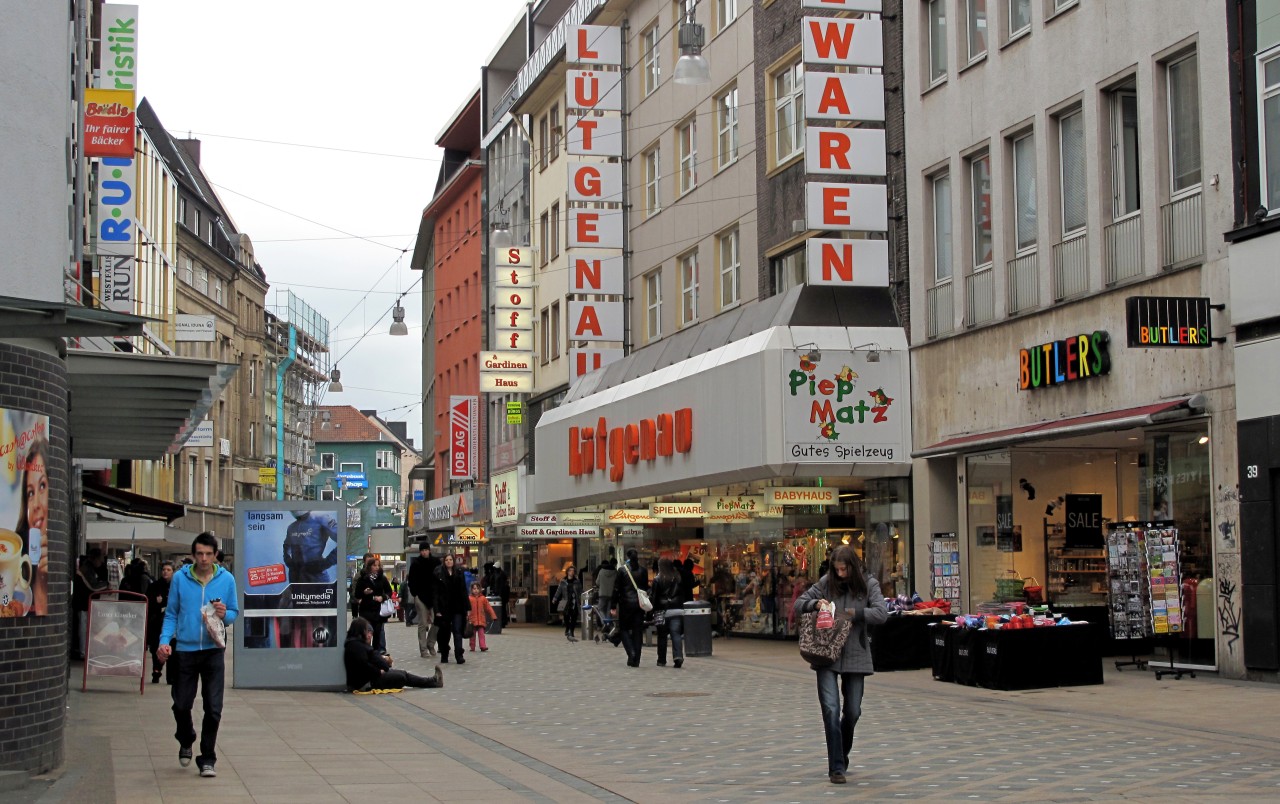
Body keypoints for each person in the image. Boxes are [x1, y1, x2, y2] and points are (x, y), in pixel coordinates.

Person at [791, 545, 888, 785]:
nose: (841, 574)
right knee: (831, 709)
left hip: (856, 653)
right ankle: (836, 767)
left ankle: (841, 752)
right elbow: (799, 603)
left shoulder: (868, 584)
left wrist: (853, 613)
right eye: (837, 570)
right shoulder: (826, 582)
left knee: (852, 711)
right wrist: (816, 605)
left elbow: (881, 613)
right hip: (825, 653)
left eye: (844, 569)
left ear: (853, 567)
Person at [157, 532, 239, 779]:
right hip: (185, 650)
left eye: (208, 554)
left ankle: (207, 757)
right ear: (193, 555)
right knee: (181, 704)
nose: (203, 558)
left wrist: (225, 614)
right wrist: (164, 642)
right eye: (199, 554)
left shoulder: (227, 580)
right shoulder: (181, 579)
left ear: (215, 556)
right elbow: (171, 613)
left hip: (214, 650)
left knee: (213, 707)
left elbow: (234, 613)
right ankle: (186, 738)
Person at [343, 617, 443, 692]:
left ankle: (432, 681)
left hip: (367, 679)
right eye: (366, 631)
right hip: (366, 683)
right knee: (401, 677)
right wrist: (378, 671)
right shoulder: (357, 646)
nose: (369, 635)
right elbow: (364, 665)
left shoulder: (355, 644)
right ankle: (432, 682)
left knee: (403, 673)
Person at [15, 435, 49, 615]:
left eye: (42, 486)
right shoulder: (17, 565)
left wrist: (44, 582)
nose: (35, 504)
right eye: (30, 493)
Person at [611, 549, 649, 668]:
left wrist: (613, 605)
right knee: (638, 631)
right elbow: (645, 588)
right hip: (639, 605)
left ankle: (631, 652)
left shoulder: (622, 570)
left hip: (625, 604)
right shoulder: (643, 570)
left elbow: (616, 589)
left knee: (624, 629)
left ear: (627, 557)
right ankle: (636, 658)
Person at [282, 510, 339, 584]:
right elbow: (286, 546)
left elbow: (342, 540)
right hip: (296, 578)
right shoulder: (291, 527)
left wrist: (325, 563)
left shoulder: (321, 519)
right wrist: (288, 561)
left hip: (316, 577)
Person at [433, 553, 470, 664]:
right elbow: (435, 593)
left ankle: (459, 654)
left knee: (457, 631)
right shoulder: (438, 573)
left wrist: (467, 607)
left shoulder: (459, 573)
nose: (449, 561)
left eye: (450, 560)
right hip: (444, 607)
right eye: (446, 560)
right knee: (445, 632)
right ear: (444, 562)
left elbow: (464, 591)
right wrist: (437, 610)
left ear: (454, 561)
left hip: (457, 607)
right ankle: (444, 654)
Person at [71, 548, 108, 658]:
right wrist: (106, 585)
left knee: (85, 627)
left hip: (85, 603)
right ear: (95, 558)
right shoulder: (86, 570)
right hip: (83, 603)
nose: (101, 562)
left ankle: (85, 650)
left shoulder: (88, 568)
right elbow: (93, 586)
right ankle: (83, 652)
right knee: (84, 628)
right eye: (100, 559)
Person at [352, 556, 393, 652]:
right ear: (369, 566)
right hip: (365, 609)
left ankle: (376, 652)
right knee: (366, 632)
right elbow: (357, 594)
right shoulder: (363, 579)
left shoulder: (382, 578)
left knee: (377, 633)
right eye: (374, 565)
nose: (377, 567)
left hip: (378, 609)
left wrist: (382, 597)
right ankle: (366, 651)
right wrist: (364, 592)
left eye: (378, 565)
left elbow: (389, 591)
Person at [651, 557, 685, 668]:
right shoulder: (678, 577)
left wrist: (652, 610)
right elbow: (682, 594)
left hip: (662, 611)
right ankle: (678, 656)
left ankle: (661, 659)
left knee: (662, 636)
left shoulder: (657, 579)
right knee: (676, 634)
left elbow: (654, 597)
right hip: (677, 610)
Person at [407, 543, 440, 658]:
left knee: (437, 621)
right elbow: (411, 580)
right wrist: (415, 594)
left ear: (429, 550)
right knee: (422, 623)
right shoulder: (416, 564)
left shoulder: (436, 562)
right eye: (422, 550)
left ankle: (430, 643)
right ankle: (423, 649)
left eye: (426, 550)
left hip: (434, 597)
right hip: (421, 597)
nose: (424, 552)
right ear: (420, 551)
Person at [146, 562, 174, 683]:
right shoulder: (155, 586)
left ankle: (171, 676)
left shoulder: (175, 586)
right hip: (156, 622)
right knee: (156, 647)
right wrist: (157, 603)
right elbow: (148, 601)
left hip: (172, 622)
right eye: (164, 569)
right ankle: (156, 670)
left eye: (168, 569)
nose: (165, 572)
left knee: (172, 647)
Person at [552, 565, 581, 642]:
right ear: (567, 572)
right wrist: (555, 598)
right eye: (570, 570)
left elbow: (580, 591)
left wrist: (582, 599)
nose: (571, 572)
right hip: (566, 601)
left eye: (573, 571)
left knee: (574, 616)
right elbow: (559, 590)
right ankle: (568, 628)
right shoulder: (563, 581)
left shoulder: (577, 581)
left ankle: (571, 631)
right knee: (566, 617)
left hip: (574, 601)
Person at [466, 581, 496, 653]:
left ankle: (483, 646)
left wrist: (493, 616)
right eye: (474, 588)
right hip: (472, 620)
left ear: (480, 589)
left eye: (477, 588)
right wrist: (466, 616)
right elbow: (466, 608)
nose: (476, 590)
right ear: (471, 590)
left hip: (481, 620)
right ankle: (472, 647)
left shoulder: (483, 598)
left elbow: (488, 608)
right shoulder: (469, 598)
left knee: (481, 634)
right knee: (472, 635)